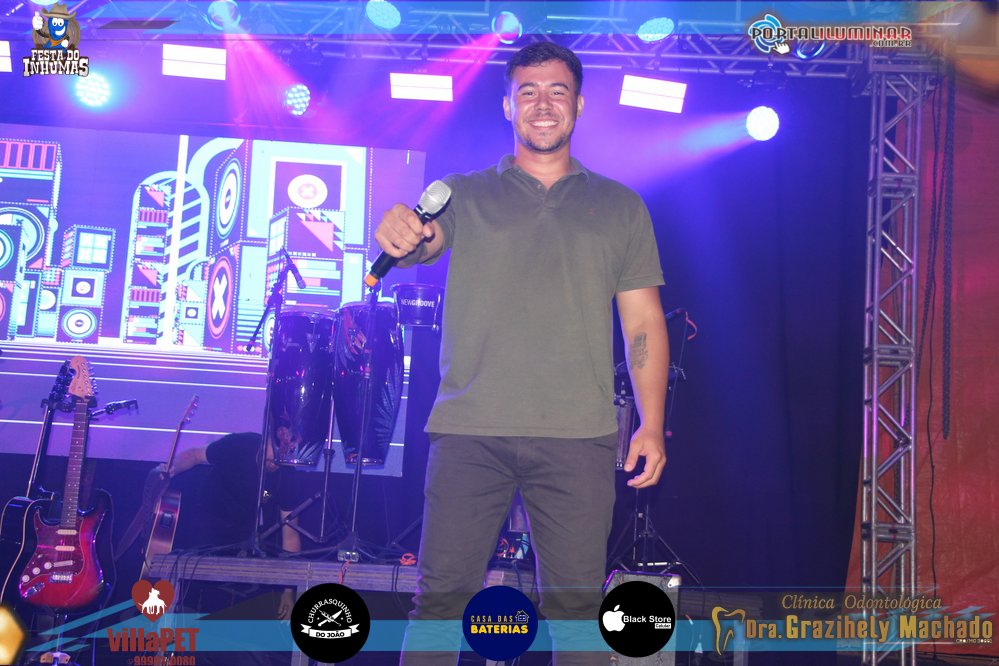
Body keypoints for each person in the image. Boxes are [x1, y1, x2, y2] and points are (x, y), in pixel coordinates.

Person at [375, 42, 669, 665]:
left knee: (577, 615)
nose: (542, 104)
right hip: (469, 430)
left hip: (578, 437)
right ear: (507, 105)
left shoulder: (621, 206)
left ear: (579, 105)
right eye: (527, 92)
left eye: (557, 91)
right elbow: (424, 239)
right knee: (439, 606)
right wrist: (403, 232)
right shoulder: (463, 193)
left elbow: (642, 321)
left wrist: (651, 423)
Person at [164, 432, 302, 620]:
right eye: (273, 455)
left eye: (283, 457)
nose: (275, 463)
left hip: (242, 529)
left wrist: (289, 591)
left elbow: (291, 534)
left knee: (230, 592)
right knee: (190, 579)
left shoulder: (287, 476)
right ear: (266, 440)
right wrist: (168, 472)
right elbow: (195, 455)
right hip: (207, 515)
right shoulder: (238, 445)